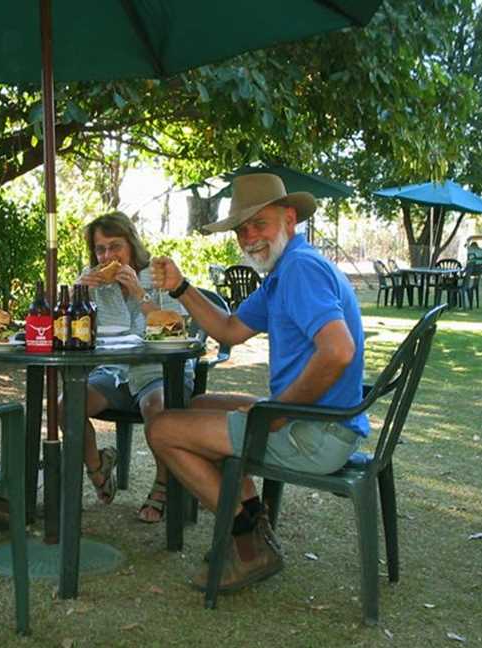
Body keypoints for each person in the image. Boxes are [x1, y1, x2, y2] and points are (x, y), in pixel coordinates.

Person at [148, 173, 368, 591]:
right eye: (241, 229)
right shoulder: (287, 269)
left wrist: (277, 414)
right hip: (323, 421)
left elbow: (338, 351)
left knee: (161, 429)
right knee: (197, 407)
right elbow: (230, 329)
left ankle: (248, 543)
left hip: (316, 433)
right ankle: (253, 523)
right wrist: (180, 287)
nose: (249, 237)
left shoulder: (301, 269)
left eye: (259, 224)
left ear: (289, 218)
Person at [62, 211, 194, 522]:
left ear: (131, 245)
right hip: (114, 371)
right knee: (67, 405)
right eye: (100, 249)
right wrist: (76, 296)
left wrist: (139, 293)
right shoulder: (93, 279)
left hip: (159, 371)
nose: (108, 255)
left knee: (156, 406)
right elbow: (68, 333)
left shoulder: (159, 274)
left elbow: (174, 328)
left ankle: (163, 485)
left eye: (115, 246)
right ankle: (98, 470)